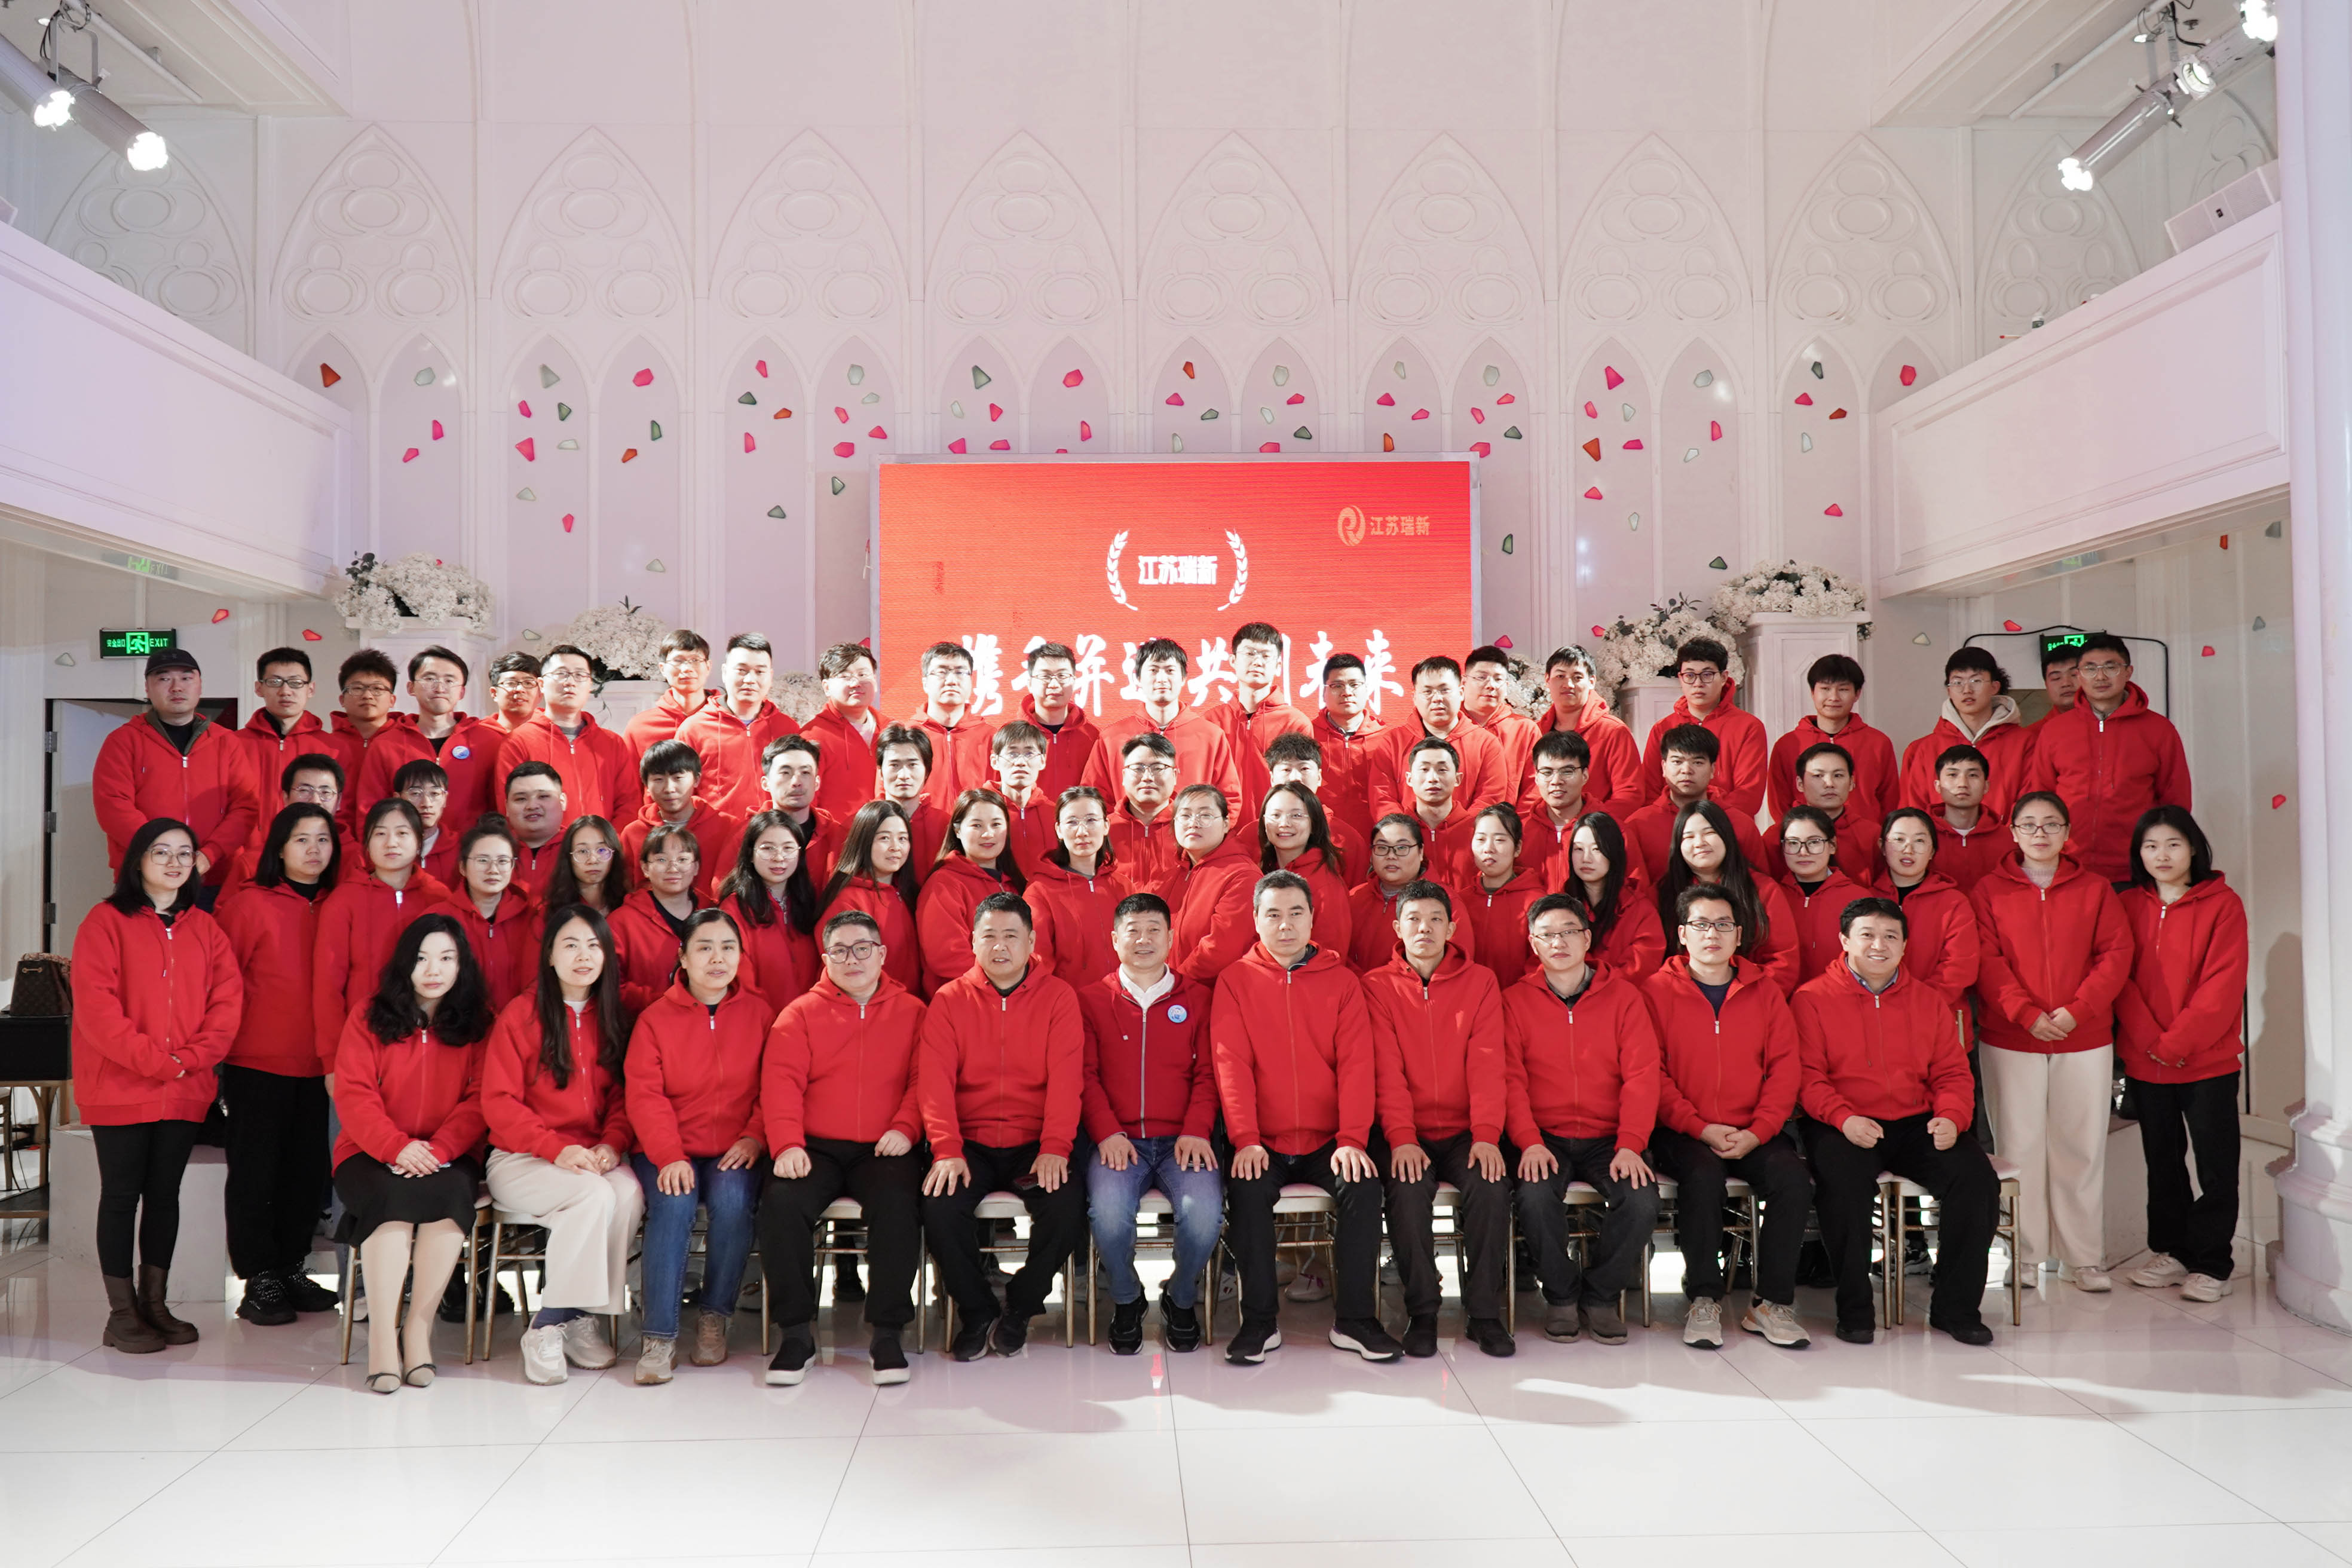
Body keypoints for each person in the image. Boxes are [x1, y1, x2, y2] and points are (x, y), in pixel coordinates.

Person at [1793, 898, 1999, 1345]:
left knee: (1976, 1179)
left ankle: (1956, 1308)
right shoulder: (1811, 999)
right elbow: (1808, 1077)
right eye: (1867, 934)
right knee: (1843, 1187)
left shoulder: (1928, 1001)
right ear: (1844, 940)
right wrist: (1844, 1118)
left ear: (1905, 946)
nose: (1879, 945)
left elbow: (1952, 1072)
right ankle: (1855, 1309)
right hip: (1842, 1121)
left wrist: (1952, 1116)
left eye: (1891, 936)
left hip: (1917, 1121)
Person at [1212, 872, 1398, 1364]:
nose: (1285, 924)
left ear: (1312, 919)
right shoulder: (1235, 981)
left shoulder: (1342, 981)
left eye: (1296, 913)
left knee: (1363, 1188)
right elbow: (1232, 1064)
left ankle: (1356, 1320)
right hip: (1263, 1140)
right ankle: (1259, 1322)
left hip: (1328, 1140)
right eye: (1273, 914)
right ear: (1256, 919)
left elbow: (1357, 1066)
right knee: (1247, 1190)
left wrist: (1352, 1139)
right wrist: (1246, 1138)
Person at [74, 818, 243, 1352]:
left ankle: (155, 1304)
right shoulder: (105, 921)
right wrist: (159, 1062)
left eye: (185, 853)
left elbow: (226, 1004)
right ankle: (121, 1314)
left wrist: (189, 1060)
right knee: (121, 1196)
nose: (174, 862)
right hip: (120, 1086)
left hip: (184, 1088)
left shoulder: (207, 930)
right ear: (138, 861)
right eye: (161, 852)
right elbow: (98, 1010)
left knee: (165, 1196)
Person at [758, 909, 928, 1386]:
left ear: (882, 954)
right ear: (825, 958)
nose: (852, 959)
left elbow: (925, 1080)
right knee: (781, 1203)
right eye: (840, 951)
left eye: (862, 949)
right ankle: (796, 1334)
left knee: (898, 1204)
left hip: (885, 1145)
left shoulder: (914, 1011)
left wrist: (906, 1127)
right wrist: (787, 1144)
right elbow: (781, 1084)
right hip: (814, 1146)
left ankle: (887, 1333)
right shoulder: (799, 1014)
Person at [1971, 791, 2133, 1290]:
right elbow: (1987, 959)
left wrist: (2076, 1011)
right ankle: (2024, 1254)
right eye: (2029, 824)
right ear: (2013, 832)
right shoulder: (1989, 890)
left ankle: (2082, 1257)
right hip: (2010, 1036)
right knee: (2018, 1146)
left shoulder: (2096, 889)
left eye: (2051, 825)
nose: (2040, 834)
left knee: (2080, 1146)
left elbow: (2116, 954)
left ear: (2067, 833)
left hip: (2083, 1036)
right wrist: (2024, 1013)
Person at [1642, 886, 1815, 1350]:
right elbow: (1651, 1071)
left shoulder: (1765, 991)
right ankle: (1704, 1298)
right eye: (1700, 924)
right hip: (1684, 1129)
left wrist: (1759, 1131)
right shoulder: (1656, 991)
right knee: (1701, 1178)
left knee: (1792, 1181)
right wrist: (1699, 1127)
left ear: (1739, 935)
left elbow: (1785, 1068)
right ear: (1682, 934)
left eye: (1722, 925)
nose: (1712, 934)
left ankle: (1771, 1304)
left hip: (1755, 1128)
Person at [919, 892, 1088, 1359]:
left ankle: (1021, 1305)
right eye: (989, 936)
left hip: (1033, 1144)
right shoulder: (949, 1000)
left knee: (1066, 1204)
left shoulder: (1058, 997)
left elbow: (1067, 1080)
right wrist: (946, 1149)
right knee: (939, 1206)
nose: (999, 946)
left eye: (1011, 936)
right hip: (968, 1144)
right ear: (972, 942)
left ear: (1031, 942)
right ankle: (976, 1310)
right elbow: (934, 1083)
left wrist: (1055, 1146)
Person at [329, 913, 490, 1392]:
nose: (434, 970)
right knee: (390, 1199)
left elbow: (479, 1099)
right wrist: (397, 1147)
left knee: (449, 1198)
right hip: (369, 1150)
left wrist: (438, 1149)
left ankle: (417, 1332)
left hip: (448, 1152)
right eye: (422, 959)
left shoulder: (480, 1023)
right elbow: (355, 1096)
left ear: (462, 965)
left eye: (447, 958)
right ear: (404, 964)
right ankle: (383, 1337)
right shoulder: (368, 1016)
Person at [480, 906, 641, 1385]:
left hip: (591, 1155)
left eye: (594, 946)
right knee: (593, 1196)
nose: (583, 956)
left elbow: (623, 1097)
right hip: (522, 1158)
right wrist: (555, 1149)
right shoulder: (522, 1015)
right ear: (550, 955)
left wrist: (613, 1144)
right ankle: (547, 1326)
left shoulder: (612, 1016)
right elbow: (499, 1103)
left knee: (628, 1192)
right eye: (571, 945)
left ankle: (578, 1318)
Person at [1363, 881, 1514, 1358]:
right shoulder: (1376, 985)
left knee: (1490, 1186)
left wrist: (1487, 1135)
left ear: (1452, 927)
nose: (1424, 929)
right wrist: (1402, 1138)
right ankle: (1423, 1311)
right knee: (1407, 1191)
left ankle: (1484, 1314)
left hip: (1467, 1130)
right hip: (1404, 1131)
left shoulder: (1481, 982)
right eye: (1413, 919)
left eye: (1435, 920)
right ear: (1397, 927)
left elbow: (1488, 1063)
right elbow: (1386, 1070)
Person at [1505, 895, 1662, 1343]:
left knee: (1641, 1199)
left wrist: (1631, 1144)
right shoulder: (1514, 1001)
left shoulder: (1624, 998)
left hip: (1610, 1138)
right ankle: (1560, 1296)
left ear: (1588, 939)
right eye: (1547, 935)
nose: (1559, 943)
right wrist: (1529, 1140)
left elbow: (1642, 1076)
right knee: (1534, 1197)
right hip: (1544, 1137)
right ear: (1533, 944)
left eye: (1569, 932)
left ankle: (1600, 1296)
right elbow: (1509, 1078)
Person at [623, 908, 767, 1382]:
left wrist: (755, 1135)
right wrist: (669, 1155)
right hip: (667, 1149)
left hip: (735, 1148)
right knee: (674, 1203)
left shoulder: (760, 1014)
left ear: (741, 956)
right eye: (704, 948)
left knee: (733, 1201)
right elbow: (645, 1096)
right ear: (683, 958)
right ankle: (659, 1338)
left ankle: (714, 1317)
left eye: (728, 948)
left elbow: (776, 1085)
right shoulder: (654, 1020)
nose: (717, 958)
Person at [2117, 807, 2249, 1304]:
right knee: (2163, 1161)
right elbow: (2120, 977)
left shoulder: (2223, 904)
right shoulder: (2127, 904)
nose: (2162, 855)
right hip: (2146, 1059)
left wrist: (2173, 1044)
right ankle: (2172, 1251)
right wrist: (2152, 1041)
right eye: (2151, 846)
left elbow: (2223, 985)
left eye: (2173, 844)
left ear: (2193, 847)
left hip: (2208, 1060)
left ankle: (2212, 1263)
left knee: (2217, 1163)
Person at [1079, 893, 1220, 1355]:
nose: (1143, 940)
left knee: (1205, 1216)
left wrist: (1197, 1129)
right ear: (1114, 939)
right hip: (1119, 1142)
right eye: (1133, 931)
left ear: (1171, 938)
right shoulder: (1091, 1000)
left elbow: (1209, 1075)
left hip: (1183, 1141)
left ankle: (1180, 1297)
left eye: (1154, 930)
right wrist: (1107, 1133)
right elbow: (1085, 1076)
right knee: (1108, 1216)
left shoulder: (1197, 999)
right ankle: (1127, 1298)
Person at [216, 804, 341, 1325]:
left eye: (323, 839)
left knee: (306, 1175)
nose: (314, 849)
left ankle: (291, 1266)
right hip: (257, 1062)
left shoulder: (339, 902)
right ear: (280, 848)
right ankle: (258, 1276)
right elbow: (222, 982)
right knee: (255, 1173)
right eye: (301, 839)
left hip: (321, 1065)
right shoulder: (250, 904)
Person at [2023, 633, 2192, 880]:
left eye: (2111, 667)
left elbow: (2175, 801)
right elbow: (2040, 797)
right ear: (2080, 675)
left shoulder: (2159, 730)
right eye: (2090, 669)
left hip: (2135, 867)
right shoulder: (2055, 731)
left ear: (2128, 672)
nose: (2100, 677)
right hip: (2067, 866)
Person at [92, 647, 260, 894]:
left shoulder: (227, 742)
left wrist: (209, 855)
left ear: (200, 686)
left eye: (186, 678)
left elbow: (245, 807)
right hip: (145, 879)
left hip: (215, 879)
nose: (176, 687)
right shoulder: (123, 741)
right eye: (164, 679)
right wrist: (163, 855)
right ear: (147, 688)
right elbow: (113, 806)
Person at [312, 798, 451, 1059]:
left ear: (419, 841)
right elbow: (328, 987)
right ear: (366, 843)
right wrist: (332, 1057)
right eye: (380, 834)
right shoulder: (344, 901)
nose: (391, 843)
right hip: (362, 1041)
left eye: (402, 833)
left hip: (426, 1044)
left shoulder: (439, 898)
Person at [1080, 637, 1244, 814]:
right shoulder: (1111, 738)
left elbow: (1229, 799)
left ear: (1183, 678)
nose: (1162, 679)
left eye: (1170, 671)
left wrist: (1205, 829)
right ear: (1138, 678)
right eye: (1153, 670)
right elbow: (1093, 799)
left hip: (1193, 832)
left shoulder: (1211, 736)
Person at [353, 647, 507, 829]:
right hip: (406, 845)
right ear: (411, 687)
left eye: (449, 680)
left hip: (472, 845)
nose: (440, 688)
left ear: (462, 692)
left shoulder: (489, 742)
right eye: (430, 679)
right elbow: (370, 811)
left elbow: (501, 807)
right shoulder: (385, 744)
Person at [1658, 802, 1799, 995]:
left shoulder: (1762, 889)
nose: (1699, 843)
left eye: (1709, 833)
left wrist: (1747, 998)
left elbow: (1783, 961)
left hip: (1751, 998)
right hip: (1681, 999)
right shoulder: (1662, 893)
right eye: (1689, 837)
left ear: (1726, 836)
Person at [917, 788, 1045, 997]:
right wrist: (1005, 984)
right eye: (977, 825)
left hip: (1017, 998)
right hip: (967, 999)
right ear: (957, 830)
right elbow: (947, 956)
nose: (988, 834)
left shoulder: (1015, 883)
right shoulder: (944, 883)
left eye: (996, 824)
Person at [494, 645, 640, 826]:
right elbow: (510, 809)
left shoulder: (612, 743)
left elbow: (629, 804)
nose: (570, 682)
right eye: (561, 674)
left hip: (604, 844)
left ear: (590, 685)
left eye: (580, 675)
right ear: (541, 685)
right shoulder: (518, 742)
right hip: (541, 844)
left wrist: (608, 842)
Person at [1899, 648, 2036, 820]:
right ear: (1948, 690)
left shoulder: (2026, 743)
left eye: (1976, 681)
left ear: (1995, 687)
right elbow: (1912, 814)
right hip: (1938, 838)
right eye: (1957, 682)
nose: (1967, 690)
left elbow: (2030, 807)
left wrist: (2001, 836)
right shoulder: (1921, 749)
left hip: (2005, 838)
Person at [1876, 808, 1980, 1034]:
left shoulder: (1954, 903)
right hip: (1876, 1019)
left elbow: (1960, 968)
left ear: (1932, 851)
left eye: (1920, 841)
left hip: (1938, 1020)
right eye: (1899, 840)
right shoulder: (1866, 899)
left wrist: (1915, 1005)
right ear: (1883, 846)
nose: (1909, 849)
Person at [1365, 656, 1509, 819]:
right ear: (1414, 698)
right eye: (1427, 692)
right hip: (1406, 834)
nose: (1437, 698)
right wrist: (1405, 831)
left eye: (1444, 690)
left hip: (1467, 834)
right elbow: (1382, 797)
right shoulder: (1393, 742)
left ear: (1461, 693)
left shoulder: (1486, 743)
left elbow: (1490, 797)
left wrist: (1461, 828)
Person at [676, 632, 800, 820]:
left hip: (775, 833)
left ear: (770, 676)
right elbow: (679, 794)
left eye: (760, 672)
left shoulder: (788, 729)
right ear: (725, 672)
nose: (750, 680)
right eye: (742, 670)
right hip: (715, 834)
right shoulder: (693, 729)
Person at [1637, 638, 1767, 816]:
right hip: (1671, 825)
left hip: (1727, 824)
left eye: (1707, 675)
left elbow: (1749, 796)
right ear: (1680, 678)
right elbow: (1650, 791)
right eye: (1690, 675)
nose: (1698, 683)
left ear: (1724, 677)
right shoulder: (1663, 728)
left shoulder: (1749, 727)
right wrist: (1676, 824)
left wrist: (1703, 823)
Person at [1624, 724, 1769, 884]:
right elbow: (1633, 889)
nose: (1686, 770)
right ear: (1664, 767)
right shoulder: (1638, 825)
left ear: (1713, 769)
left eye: (1698, 762)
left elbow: (1760, 885)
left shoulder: (1741, 824)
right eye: (1677, 761)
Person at [1767, 654, 1897, 820]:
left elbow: (1890, 800)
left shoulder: (1878, 743)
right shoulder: (1788, 744)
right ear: (1812, 692)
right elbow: (1779, 804)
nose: (1834, 697)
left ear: (1857, 694)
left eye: (1843, 690)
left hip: (1865, 835)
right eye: (1825, 689)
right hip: (1806, 834)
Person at [434, 815, 542, 1013]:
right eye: (483, 860)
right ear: (463, 867)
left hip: (518, 1025)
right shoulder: (438, 919)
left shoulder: (533, 917)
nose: (493, 870)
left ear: (512, 867)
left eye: (503, 861)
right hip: (457, 1026)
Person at [718, 810, 820, 1012]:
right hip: (760, 1021)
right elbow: (739, 983)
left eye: (788, 848)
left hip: (810, 1019)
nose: (779, 857)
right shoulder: (734, 909)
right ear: (750, 854)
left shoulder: (809, 901)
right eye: (767, 848)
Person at [1208, 620, 1313, 816]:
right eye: (1250, 654)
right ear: (1233, 661)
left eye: (1266, 656)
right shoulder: (1210, 723)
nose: (1257, 662)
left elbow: (1302, 788)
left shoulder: (1295, 723)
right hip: (1221, 829)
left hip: (1277, 827)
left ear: (1278, 665)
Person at [816, 800, 921, 992]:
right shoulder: (846, 901)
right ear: (864, 841)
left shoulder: (908, 893)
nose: (895, 847)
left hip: (909, 1003)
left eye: (902, 838)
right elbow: (847, 973)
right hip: (871, 1005)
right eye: (884, 838)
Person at [214, 754, 353, 900]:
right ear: (285, 798)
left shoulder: (355, 859)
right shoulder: (252, 863)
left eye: (325, 792)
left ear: (339, 801)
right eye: (304, 790)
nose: (315, 800)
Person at [1027, 785, 1126, 987]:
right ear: (1059, 830)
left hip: (1125, 1000)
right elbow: (1037, 963)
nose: (1082, 832)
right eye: (1072, 822)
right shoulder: (1040, 893)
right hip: (1070, 1002)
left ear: (1106, 825)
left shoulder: (1123, 886)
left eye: (1091, 820)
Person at [1347, 812, 1467, 973]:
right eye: (1382, 848)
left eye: (1402, 848)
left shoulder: (1445, 902)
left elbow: (1456, 967)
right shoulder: (1355, 897)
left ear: (1421, 852)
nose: (1391, 856)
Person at [621, 740, 739, 902]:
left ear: (697, 780)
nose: (669, 789)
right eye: (658, 779)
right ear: (646, 785)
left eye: (678, 778)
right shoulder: (633, 834)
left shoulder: (728, 827)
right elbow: (629, 888)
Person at [1169, 783, 1261, 982]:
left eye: (1205, 815)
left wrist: (1175, 984)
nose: (1194, 823)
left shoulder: (1243, 876)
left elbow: (1221, 950)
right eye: (1185, 816)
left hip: (1214, 992)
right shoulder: (1176, 872)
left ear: (1226, 823)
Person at [608, 823, 704, 1013]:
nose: (673, 868)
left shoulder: (715, 914)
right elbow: (611, 987)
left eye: (683, 859)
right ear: (645, 868)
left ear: (695, 867)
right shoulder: (621, 923)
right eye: (661, 860)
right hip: (644, 1022)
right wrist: (667, 1002)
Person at [1536, 645, 1642, 814]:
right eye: (1560, 676)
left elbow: (1630, 793)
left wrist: (1590, 824)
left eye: (1577, 677)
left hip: (1595, 826)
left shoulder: (1613, 731)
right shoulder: (1535, 732)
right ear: (1547, 680)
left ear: (1592, 682)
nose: (1568, 684)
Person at [1775, 806, 1872, 987]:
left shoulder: (1859, 899)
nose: (1803, 852)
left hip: (1838, 997)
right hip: (1780, 997)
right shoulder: (1772, 896)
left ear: (1832, 845)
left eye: (1814, 842)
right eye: (1793, 843)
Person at [1258, 780, 1353, 958]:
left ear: (1314, 824)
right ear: (1264, 822)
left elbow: (1331, 955)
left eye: (1296, 816)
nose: (1284, 823)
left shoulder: (1326, 883)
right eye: (1276, 815)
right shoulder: (1261, 869)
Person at [1566, 811, 1666, 976]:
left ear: (1615, 853)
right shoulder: (1560, 907)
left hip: (1621, 992)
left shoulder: (1640, 911)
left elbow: (1640, 969)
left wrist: (1593, 982)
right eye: (1578, 849)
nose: (1586, 858)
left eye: (1597, 849)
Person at [1459, 805, 1547, 987]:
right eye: (1481, 839)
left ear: (1518, 848)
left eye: (1499, 840)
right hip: (1468, 999)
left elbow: (1540, 964)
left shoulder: (1536, 902)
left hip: (1518, 998)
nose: (1488, 848)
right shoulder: (1461, 901)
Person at [238, 647, 330, 816]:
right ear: (259, 688)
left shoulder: (332, 747)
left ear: (311, 689)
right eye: (275, 682)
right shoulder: (233, 745)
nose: (286, 691)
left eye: (296, 683)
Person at [1307, 650, 1386, 844]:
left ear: (1366, 689)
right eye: (1337, 686)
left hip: (1377, 842)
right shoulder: (1307, 735)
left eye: (1354, 684)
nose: (1347, 692)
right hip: (1319, 841)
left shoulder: (1387, 739)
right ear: (1324, 692)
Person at [321, 650, 406, 831]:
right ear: (342, 699)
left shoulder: (406, 744)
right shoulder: (324, 746)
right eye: (357, 688)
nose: (367, 695)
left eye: (377, 689)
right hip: (333, 838)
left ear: (392, 700)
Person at [803, 642, 887, 819]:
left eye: (863, 674)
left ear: (875, 680)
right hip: (836, 835)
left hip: (887, 833)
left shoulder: (892, 730)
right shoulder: (810, 738)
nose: (856, 683)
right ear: (827, 687)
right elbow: (805, 806)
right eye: (845, 676)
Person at [1013, 640, 1102, 803]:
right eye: (1045, 676)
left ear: (1074, 681)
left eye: (1062, 676)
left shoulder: (1092, 737)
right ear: (1030, 684)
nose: (1054, 684)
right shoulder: (1011, 737)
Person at [909, 641, 995, 808]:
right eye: (941, 672)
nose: (951, 681)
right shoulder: (906, 736)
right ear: (925, 683)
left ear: (971, 681)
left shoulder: (992, 738)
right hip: (920, 825)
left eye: (960, 672)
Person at [1264, 731, 1364, 874]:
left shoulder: (1347, 840)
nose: (1295, 778)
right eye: (1286, 769)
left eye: (1304, 769)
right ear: (1272, 778)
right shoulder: (1251, 837)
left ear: (1319, 777)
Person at [1785, 742, 1882, 886]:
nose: (1829, 783)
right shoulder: (1780, 836)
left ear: (1852, 782)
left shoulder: (1872, 835)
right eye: (1818, 776)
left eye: (1838, 775)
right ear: (1800, 783)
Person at [1105, 731, 1184, 897]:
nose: (1147, 777)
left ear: (1175, 775)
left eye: (1158, 768)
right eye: (1138, 768)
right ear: (1124, 776)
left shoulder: (1190, 828)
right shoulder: (1102, 831)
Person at [1922, 744, 2010, 892]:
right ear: (1938, 786)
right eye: (1953, 775)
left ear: (1986, 786)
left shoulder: (2008, 840)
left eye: (1973, 775)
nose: (1963, 784)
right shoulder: (1922, 836)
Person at [874, 723, 950, 887]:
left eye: (912, 765)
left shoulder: (945, 826)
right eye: (895, 765)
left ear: (927, 771)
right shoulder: (862, 823)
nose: (904, 775)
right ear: (880, 772)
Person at [759, 734, 841, 884]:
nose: (796, 782)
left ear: (817, 783)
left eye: (805, 773)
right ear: (766, 783)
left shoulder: (837, 836)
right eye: (785, 773)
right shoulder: (746, 835)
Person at [985, 719, 1061, 876]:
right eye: (1012, 754)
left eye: (1029, 754)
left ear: (1042, 761)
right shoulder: (979, 812)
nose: (1020, 762)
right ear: (995, 761)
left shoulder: (1056, 814)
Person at [1462, 645, 1542, 793]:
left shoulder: (1525, 730)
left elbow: (1534, 788)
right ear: (1464, 682)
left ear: (1506, 686)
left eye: (1498, 679)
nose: (1491, 685)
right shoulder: (1448, 725)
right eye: (1481, 677)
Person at [1518, 730, 1592, 889]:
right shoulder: (1519, 834)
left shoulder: (1611, 831)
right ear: (1536, 777)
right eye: (1547, 772)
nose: (1556, 781)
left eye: (1567, 772)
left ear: (1585, 775)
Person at [621, 629, 712, 753]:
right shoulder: (640, 727)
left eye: (696, 660)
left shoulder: (728, 720)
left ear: (708, 667)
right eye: (678, 661)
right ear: (663, 669)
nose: (687, 668)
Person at [1400, 736, 1480, 877]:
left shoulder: (1477, 831)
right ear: (1409, 779)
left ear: (1458, 779)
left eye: (1442, 770)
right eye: (1424, 769)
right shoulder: (1398, 832)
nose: (1433, 779)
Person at [543, 812, 632, 915]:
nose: (593, 860)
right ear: (568, 857)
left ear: (614, 854)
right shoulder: (551, 911)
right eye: (583, 851)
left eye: (602, 850)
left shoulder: (628, 906)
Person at [501, 762, 571, 895]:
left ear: (562, 801)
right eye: (521, 799)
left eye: (543, 796)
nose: (532, 806)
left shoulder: (579, 850)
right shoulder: (493, 852)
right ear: (507, 807)